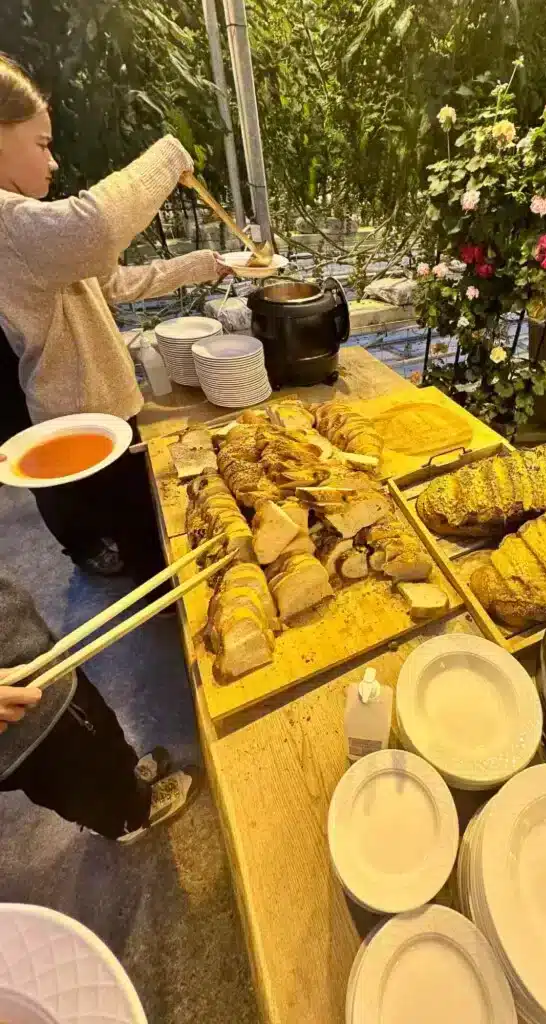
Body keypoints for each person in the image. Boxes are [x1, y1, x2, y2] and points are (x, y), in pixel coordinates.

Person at [0, 55, 227, 581]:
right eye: (42, 144)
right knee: (140, 535)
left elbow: (113, 283)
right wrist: (169, 156)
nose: (53, 162)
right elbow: (96, 227)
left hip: (105, 406)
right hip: (73, 416)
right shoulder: (10, 225)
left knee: (140, 514)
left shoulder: (27, 232)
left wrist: (202, 264)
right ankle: (148, 590)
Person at [0, 572, 199, 842]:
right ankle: (130, 818)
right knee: (76, 773)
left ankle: (126, 783)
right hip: (26, 723)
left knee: (103, 737)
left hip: (33, 657)